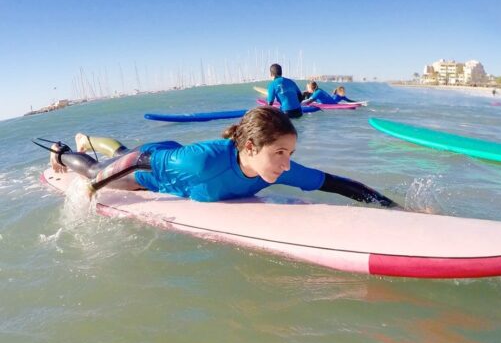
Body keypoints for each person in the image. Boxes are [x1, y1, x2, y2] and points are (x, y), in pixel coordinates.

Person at [44, 106, 399, 207]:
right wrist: (96, 187)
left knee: (118, 150)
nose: (287, 163)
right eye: (279, 153)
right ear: (249, 148)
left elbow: (335, 183)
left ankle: (94, 138)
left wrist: (390, 206)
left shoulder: (277, 170)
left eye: (290, 153)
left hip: (166, 158)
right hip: (154, 165)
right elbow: (140, 161)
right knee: (100, 166)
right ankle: (64, 150)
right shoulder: (200, 161)